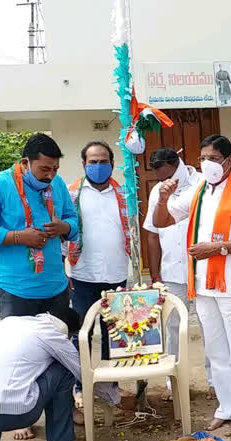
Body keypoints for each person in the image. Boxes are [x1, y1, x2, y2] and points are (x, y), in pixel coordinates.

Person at [153, 135, 231, 437]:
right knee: (216, 351)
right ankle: (226, 407)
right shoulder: (198, 193)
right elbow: (162, 221)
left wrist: (218, 249)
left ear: (228, 161)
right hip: (204, 286)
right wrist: (163, 198)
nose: (207, 164)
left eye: (214, 158)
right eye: (203, 158)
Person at [0, 133, 78, 441]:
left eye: (55, 169)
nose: (51, 175)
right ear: (26, 163)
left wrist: (64, 227)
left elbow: (73, 220)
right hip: (15, 291)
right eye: (45, 169)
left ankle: (59, 436)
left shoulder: (56, 186)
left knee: (57, 358)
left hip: (54, 287)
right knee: (12, 358)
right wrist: (18, 236)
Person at [0, 309, 120, 441]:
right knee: (64, 369)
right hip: (15, 414)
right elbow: (81, 371)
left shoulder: (6, 324)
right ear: (68, 332)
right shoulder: (54, 334)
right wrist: (114, 398)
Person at [143, 147, 215, 401]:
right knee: (172, 328)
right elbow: (152, 234)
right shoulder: (157, 191)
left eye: (164, 173)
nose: (162, 180)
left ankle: (216, 382)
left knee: (210, 325)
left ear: (176, 164)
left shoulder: (203, 183)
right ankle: (175, 382)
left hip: (203, 267)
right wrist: (155, 275)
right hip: (172, 271)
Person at [66, 141, 130, 360]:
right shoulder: (71, 194)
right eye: (93, 162)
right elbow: (63, 236)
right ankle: (80, 386)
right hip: (82, 275)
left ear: (112, 163)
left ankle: (110, 386)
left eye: (104, 161)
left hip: (116, 274)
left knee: (114, 332)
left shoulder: (124, 194)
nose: (98, 166)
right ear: (84, 164)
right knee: (81, 332)